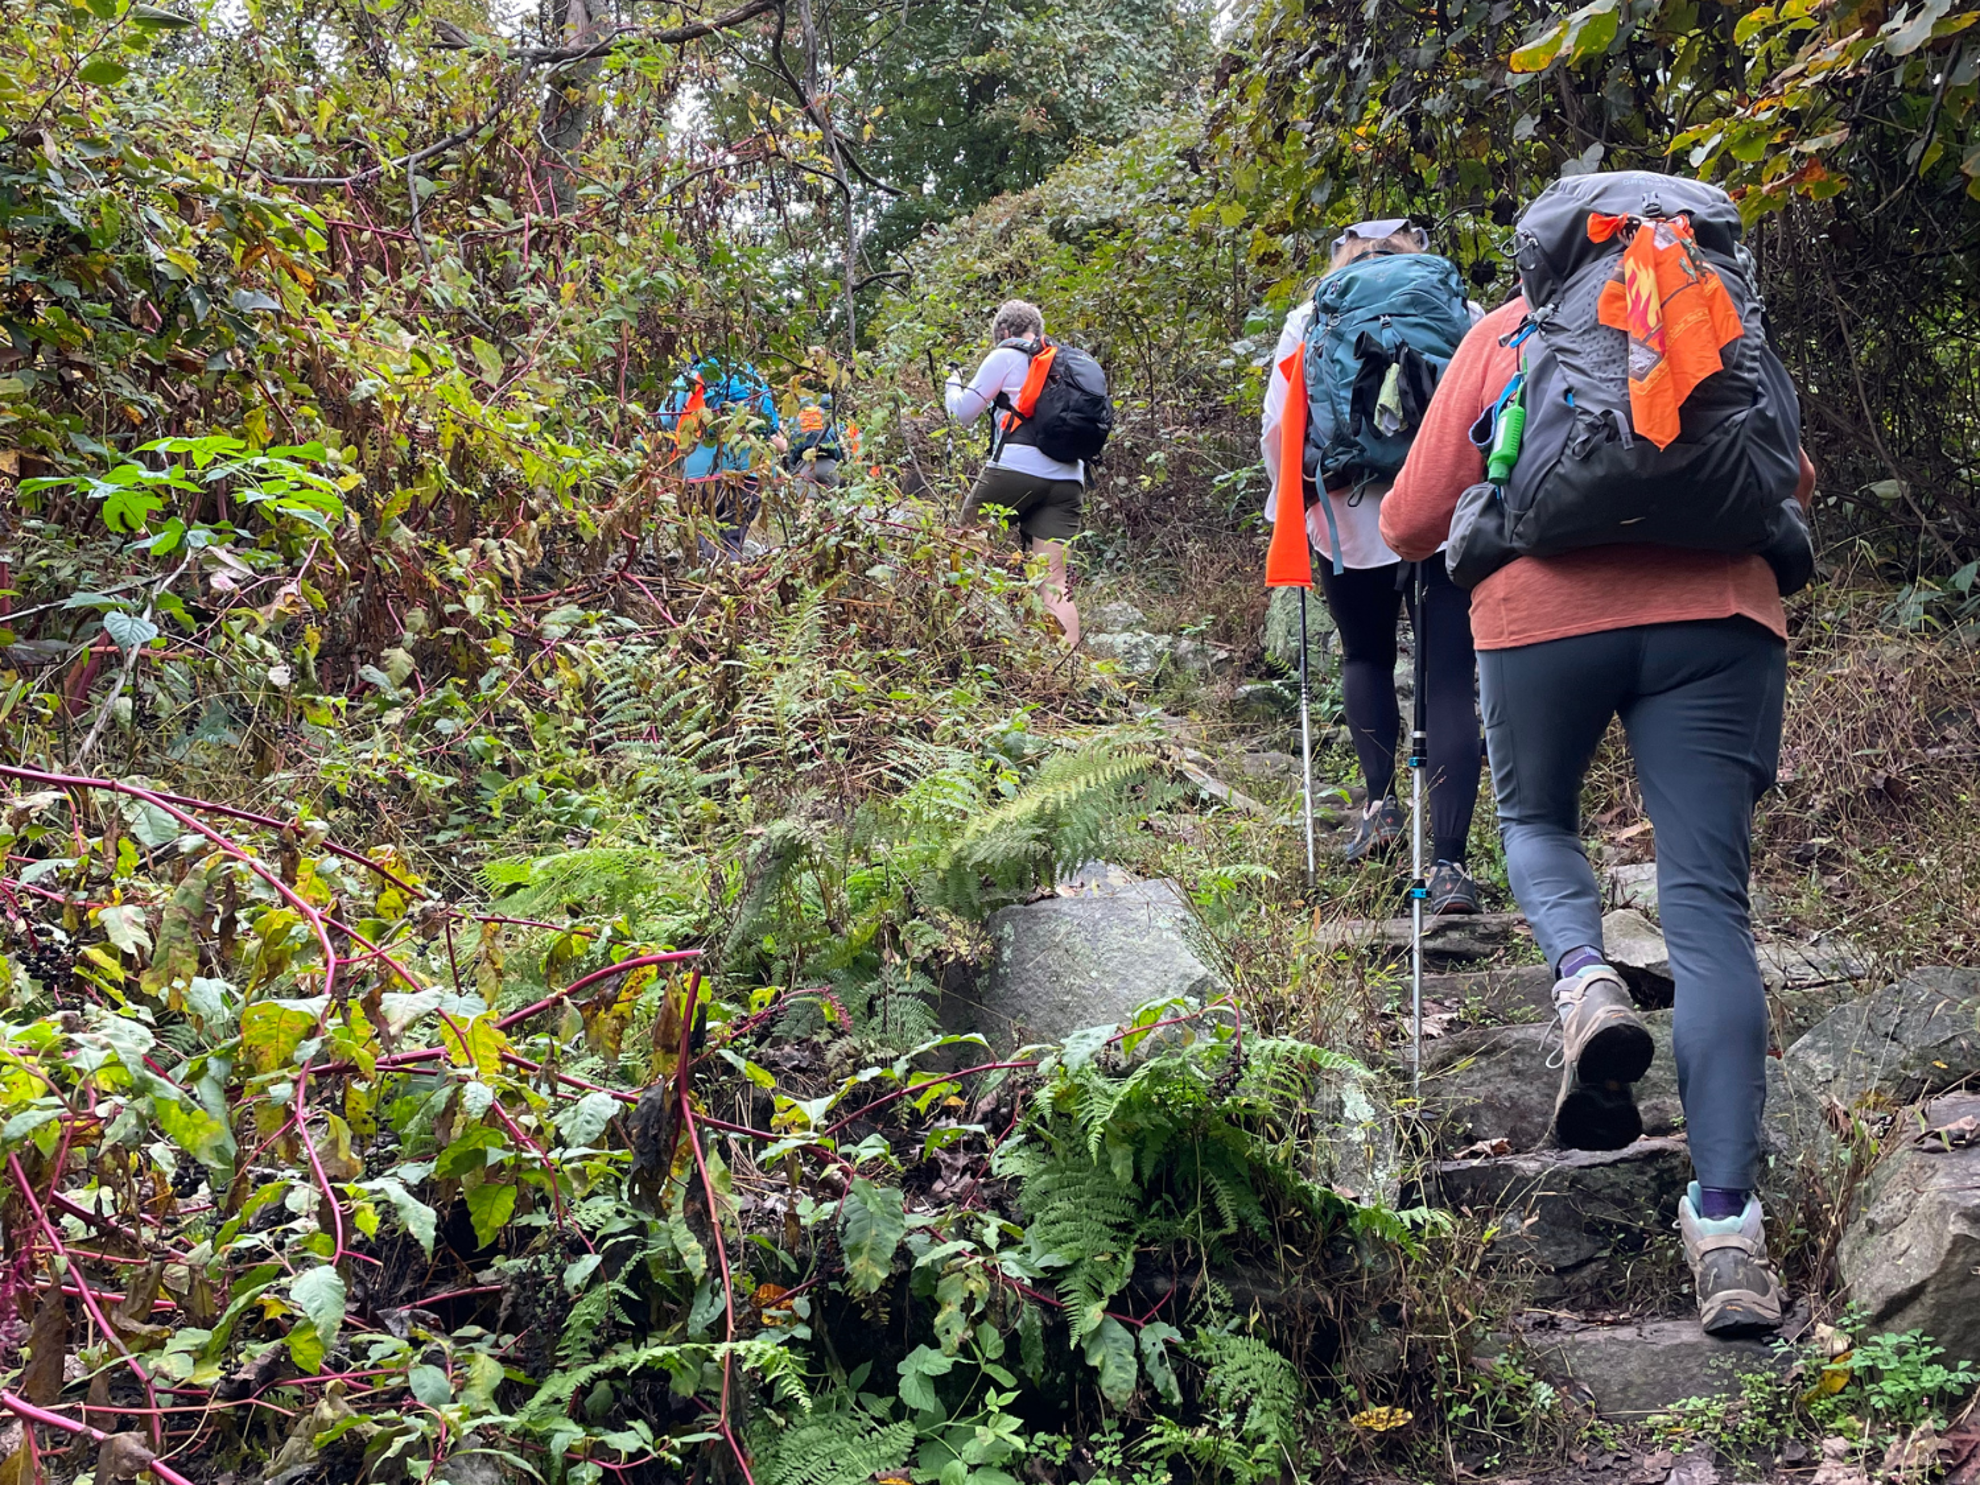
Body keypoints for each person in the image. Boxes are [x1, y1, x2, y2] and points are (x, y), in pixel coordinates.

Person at [1379, 264, 1817, 1338]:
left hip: (1538, 616)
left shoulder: (1509, 328)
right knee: (1709, 910)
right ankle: (1726, 1234)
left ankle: (1585, 982)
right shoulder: (1717, 313)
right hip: (1720, 613)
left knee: (1534, 822)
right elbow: (1789, 476)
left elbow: (1408, 522)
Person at [1260, 221, 1485, 913]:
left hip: (1344, 514)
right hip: (1444, 511)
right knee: (1449, 679)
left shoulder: (1312, 314)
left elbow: (1279, 425)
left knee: (1365, 657)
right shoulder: (1460, 311)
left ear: (1342, 256)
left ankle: (1381, 806)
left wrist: (1288, 504)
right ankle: (1448, 866)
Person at [945, 299, 1083, 648]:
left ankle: (963, 643)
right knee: (1054, 578)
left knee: (963, 547)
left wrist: (952, 383)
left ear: (1005, 332)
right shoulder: (1066, 362)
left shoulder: (1005, 355)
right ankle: (1069, 669)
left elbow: (962, 413)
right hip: (1069, 477)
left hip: (1015, 469)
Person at [655, 359, 783, 557]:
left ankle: (705, 581)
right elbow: (771, 427)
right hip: (751, 471)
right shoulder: (753, 379)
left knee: (701, 538)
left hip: (699, 474)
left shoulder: (691, 376)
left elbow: (665, 419)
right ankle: (730, 579)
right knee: (731, 541)